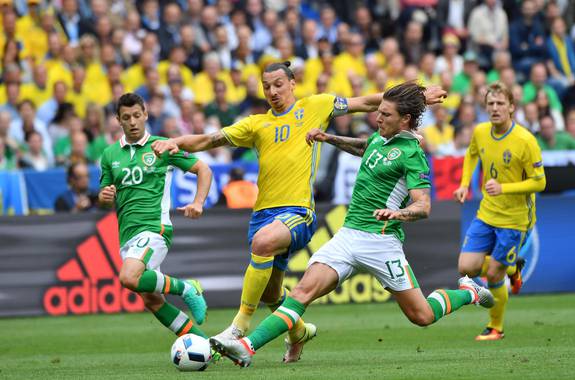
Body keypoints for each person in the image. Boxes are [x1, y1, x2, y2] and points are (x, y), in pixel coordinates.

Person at [152, 62, 446, 362]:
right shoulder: (255, 124)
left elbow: (370, 102)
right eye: (266, 86)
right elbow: (208, 140)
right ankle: (299, 332)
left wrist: (421, 93)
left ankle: (238, 328)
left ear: (293, 83)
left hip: (300, 212)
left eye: (279, 83)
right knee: (273, 294)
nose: (273, 91)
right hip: (272, 216)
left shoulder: (316, 106)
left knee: (263, 243)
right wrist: (172, 141)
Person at [208, 82, 494, 368]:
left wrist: (398, 214)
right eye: (378, 112)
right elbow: (364, 148)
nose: (377, 118)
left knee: (422, 316)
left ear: (404, 119)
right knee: (300, 293)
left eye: (385, 115)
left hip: (381, 242)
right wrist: (327, 137)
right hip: (347, 236)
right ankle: (247, 346)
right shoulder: (378, 138)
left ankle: (467, 291)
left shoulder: (412, 153)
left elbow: (423, 206)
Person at [98, 93, 213, 339]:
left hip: (154, 228)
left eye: (137, 116)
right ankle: (205, 345)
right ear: (118, 120)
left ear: (146, 114)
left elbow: (203, 169)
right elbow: (104, 196)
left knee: (129, 277)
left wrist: (198, 202)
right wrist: (105, 197)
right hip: (127, 236)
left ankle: (187, 288)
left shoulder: (163, 146)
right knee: (152, 300)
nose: (132, 122)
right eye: (126, 117)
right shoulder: (109, 155)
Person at [453, 82, 546, 341]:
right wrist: (463, 185)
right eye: (490, 104)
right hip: (487, 213)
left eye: (500, 103)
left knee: (493, 273)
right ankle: (512, 268)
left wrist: (504, 187)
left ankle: (496, 327)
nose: (495, 108)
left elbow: (540, 182)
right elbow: (471, 155)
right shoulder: (481, 132)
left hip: (515, 220)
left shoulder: (526, 141)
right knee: (466, 267)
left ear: (512, 107)